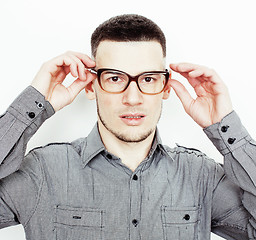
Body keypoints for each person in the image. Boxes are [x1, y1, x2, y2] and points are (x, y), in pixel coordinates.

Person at [0, 14, 255, 240]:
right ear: (91, 86)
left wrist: (226, 128)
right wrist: (31, 107)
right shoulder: (42, 172)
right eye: (114, 78)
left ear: (165, 88)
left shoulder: (202, 176)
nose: (133, 98)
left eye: (148, 78)